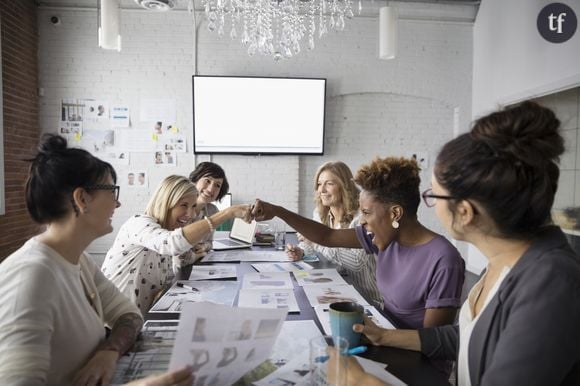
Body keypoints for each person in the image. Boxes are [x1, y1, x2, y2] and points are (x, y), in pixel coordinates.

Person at [335, 101, 580, 385]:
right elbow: (469, 331)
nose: (429, 204)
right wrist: (386, 335)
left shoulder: (552, 282)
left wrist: (363, 382)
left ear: (464, 212)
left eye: (433, 196)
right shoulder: (507, 261)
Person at [252, 156, 465, 329]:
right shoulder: (381, 236)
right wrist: (277, 211)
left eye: (366, 213)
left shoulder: (444, 260)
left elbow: (433, 341)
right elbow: (327, 236)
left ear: (395, 213)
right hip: (383, 332)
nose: (361, 220)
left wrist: (376, 334)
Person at [0, 134, 144, 385]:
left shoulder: (79, 260)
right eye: (111, 191)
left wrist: (108, 352)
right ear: (82, 199)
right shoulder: (32, 276)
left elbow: (129, 315)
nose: (117, 203)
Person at [102, 175, 252, 314]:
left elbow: (174, 266)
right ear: (165, 202)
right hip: (111, 326)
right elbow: (171, 243)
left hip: (138, 320)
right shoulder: (138, 223)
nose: (191, 214)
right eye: (183, 205)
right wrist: (227, 213)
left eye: (193, 206)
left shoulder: (168, 231)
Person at [286, 161, 384, 309]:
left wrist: (316, 241)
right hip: (338, 289)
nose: (322, 190)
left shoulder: (361, 217)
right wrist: (302, 251)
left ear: (344, 186)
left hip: (368, 299)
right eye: (319, 184)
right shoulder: (320, 213)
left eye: (329, 183)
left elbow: (357, 263)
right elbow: (311, 245)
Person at [188, 162, 231, 258]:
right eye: (207, 181)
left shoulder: (213, 211)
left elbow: (209, 243)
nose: (211, 189)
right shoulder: (179, 209)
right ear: (195, 180)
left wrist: (204, 247)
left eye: (217, 185)